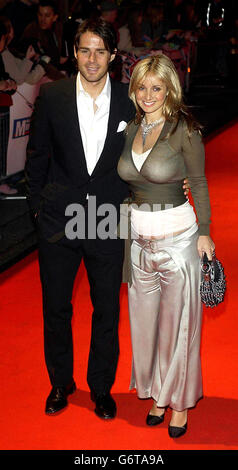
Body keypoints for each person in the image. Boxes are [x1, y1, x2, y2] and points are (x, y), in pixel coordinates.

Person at [25, 18, 189, 421]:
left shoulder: (128, 99)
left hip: (107, 221)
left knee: (106, 310)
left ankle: (100, 387)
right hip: (59, 222)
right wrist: (38, 211)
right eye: (85, 50)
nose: (92, 58)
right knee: (56, 308)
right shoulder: (53, 97)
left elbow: (158, 136)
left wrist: (177, 178)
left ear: (113, 56)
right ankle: (60, 383)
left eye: (100, 50)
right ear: (75, 53)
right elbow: (36, 159)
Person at [117, 54, 215, 437]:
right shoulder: (131, 128)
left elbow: (200, 182)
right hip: (139, 243)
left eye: (156, 87)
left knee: (180, 327)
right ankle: (158, 393)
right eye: (142, 87)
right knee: (148, 326)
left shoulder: (185, 130)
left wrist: (205, 230)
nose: (148, 94)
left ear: (170, 89)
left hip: (179, 241)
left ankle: (178, 403)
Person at [0, 18, 17, 195]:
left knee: (2, 148)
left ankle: (1, 181)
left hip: (3, 107)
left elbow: (5, 75)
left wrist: (9, 83)